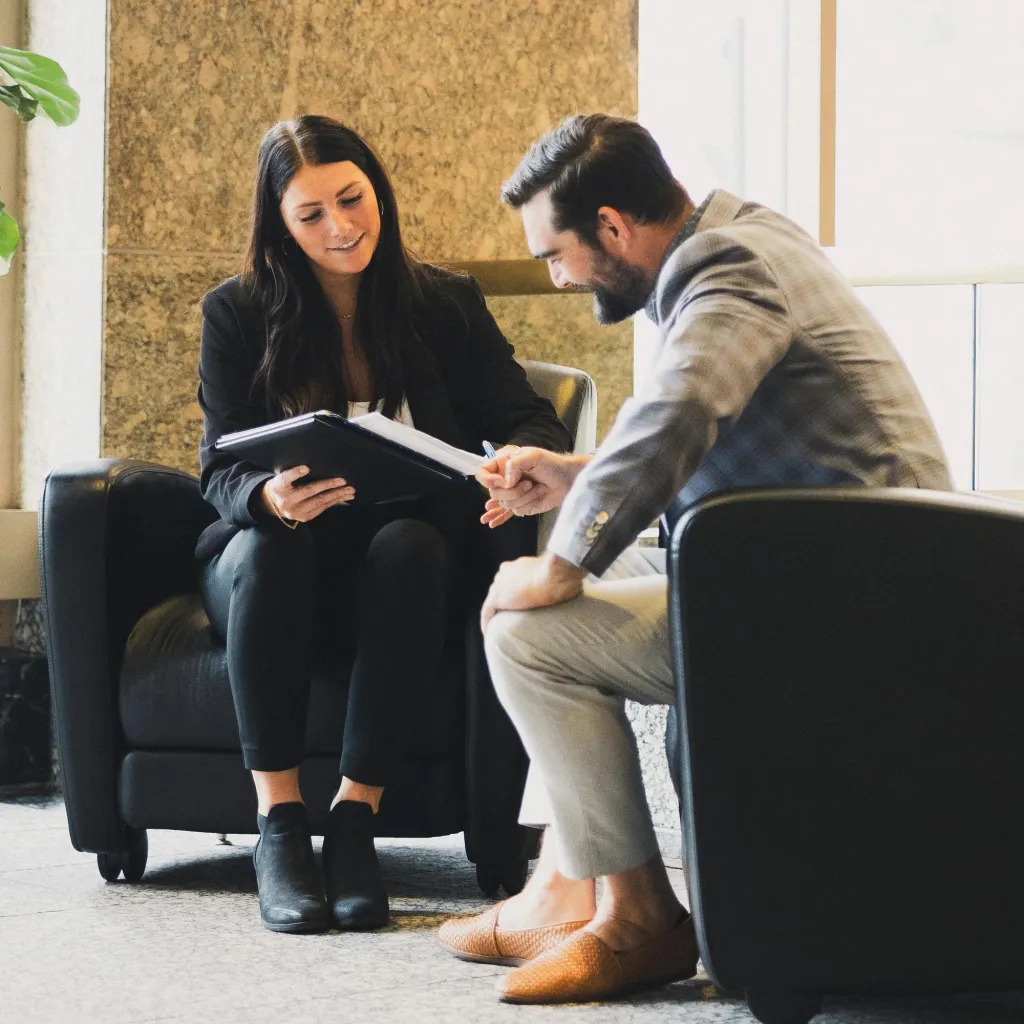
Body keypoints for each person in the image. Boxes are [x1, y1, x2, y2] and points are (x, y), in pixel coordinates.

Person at [438, 114, 952, 1003]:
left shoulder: (728, 271)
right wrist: (569, 476)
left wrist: (561, 565)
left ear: (610, 226)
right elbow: (705, 425)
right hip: (814, 562)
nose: (556, 277)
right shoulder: (746, 234)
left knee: (530, 633)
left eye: (556, 252)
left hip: (850, 593)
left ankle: (637, 919)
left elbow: (677, 413)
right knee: (570, 580)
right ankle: (561, 883)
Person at [196, 115, 571, 935]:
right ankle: (281, 825)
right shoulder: (237, 313)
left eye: (352, 198)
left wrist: (516, 462)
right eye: (311, 214)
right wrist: (266, 497)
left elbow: (529, 418)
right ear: (281, 226)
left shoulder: (444, 302)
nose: (341, 227)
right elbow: (218, 469)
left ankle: (355, 821)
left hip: (402, 570)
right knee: (268, 547)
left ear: (377, 190)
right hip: (275, 565)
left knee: (412, 546)